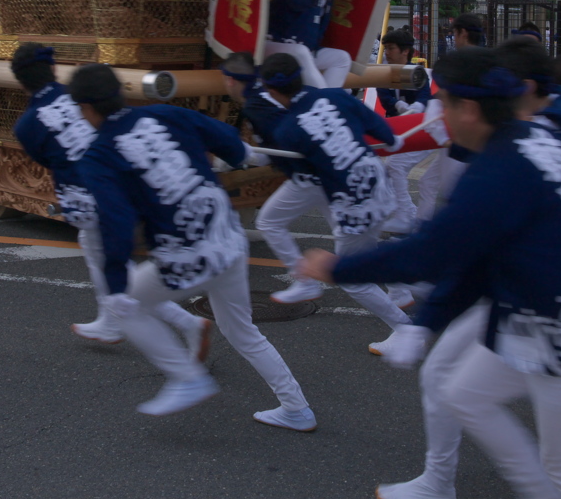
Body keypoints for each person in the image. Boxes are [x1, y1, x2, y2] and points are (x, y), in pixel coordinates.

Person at [302, 47, 561, 499]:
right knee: (462, 392)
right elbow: (475, 260)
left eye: (441, 103)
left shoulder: (497, 171)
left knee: (560, 467)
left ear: (467, 109)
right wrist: (424, 323)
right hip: (530, 312)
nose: (436, 114)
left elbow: (433, 253)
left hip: (555, 322)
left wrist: (335, 268)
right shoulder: (528, 137)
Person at [68, 63, 316, 428]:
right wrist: (241, 153)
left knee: (124, 306)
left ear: (86, 108)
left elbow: (116, 226)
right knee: (243, 331)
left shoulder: (99, 155)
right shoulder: (163, 113)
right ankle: (296, 408)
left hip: (187, 254)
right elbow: (230, 145)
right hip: (227, 237)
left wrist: (117, 283)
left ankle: (187, 377)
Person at [11, 44, 211, 354]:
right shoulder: (79, 93)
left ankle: (184, 323)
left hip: (88, 194)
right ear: (52, 69)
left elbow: (48, 159)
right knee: (104, 258)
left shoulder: (27, 125)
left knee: (113, 267)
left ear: (19, 80)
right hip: (123, 177)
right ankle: (112, 319)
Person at [261, 53, 421, 355]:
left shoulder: (287, 130)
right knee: (370, 255)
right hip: (377, 185)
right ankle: (405, 288)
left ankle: (405, 328)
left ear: (271, 91)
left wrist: (259, 155)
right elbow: (380, 128)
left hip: (356, 205)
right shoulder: (334, 96)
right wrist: (391, 140)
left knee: (352, 278)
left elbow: (301, 175)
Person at [220, 51, 332, 305]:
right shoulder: (262, 97)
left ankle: (306, 282)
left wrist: (235, 158)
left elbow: (280, 146)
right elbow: (274, 151)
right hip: (319, 169)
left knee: (270, 222)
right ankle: (404, 284)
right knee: (350, 235)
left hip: (310, 173)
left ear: (231, 80)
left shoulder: (256, 105)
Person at [377, 28, 437, 239]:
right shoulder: (383, 73)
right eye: (386, 48)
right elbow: (384, 97)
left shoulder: (417, 72)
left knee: (396, 167)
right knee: (387, 171)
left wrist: (417, 108)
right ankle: (405, 218)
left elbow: (425, 97)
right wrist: (401, 106)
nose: (387, 53)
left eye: (391, 49)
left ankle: (409, 219)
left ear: (405, 51)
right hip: (399, 129)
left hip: (422, 129)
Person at [265, 0, 352, 89]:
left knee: (342, 59)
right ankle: (325, 103)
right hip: (274, 44)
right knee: (301, 51)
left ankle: (323, 101)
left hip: (304, 52)